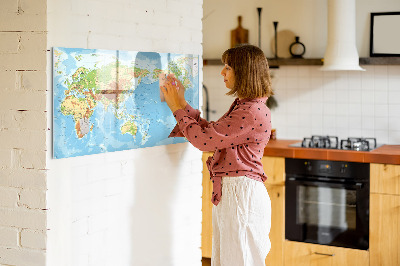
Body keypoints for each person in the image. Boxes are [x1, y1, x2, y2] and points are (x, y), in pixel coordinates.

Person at [161, 44, 273, 266]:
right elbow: (212, 133)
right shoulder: (246, 106)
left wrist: (176, 108)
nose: (222, 72)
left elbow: (204, 141)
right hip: (235, 193)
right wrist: (182, 103)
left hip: (241, 195)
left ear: (244, 72)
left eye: (228, 67)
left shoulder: (250, 111)